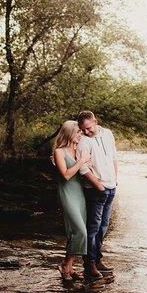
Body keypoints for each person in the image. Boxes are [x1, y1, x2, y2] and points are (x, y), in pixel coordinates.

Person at [76, 110, 118, 280]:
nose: (86, 132)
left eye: (88, 128)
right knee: (93, 227)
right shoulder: (84, 142)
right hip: (95, 189)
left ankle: (97, 259)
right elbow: (83, 169)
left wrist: (115, 179)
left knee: (104, 227)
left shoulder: (108, 134)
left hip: (111, 186)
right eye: (83, 129)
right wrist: (99, 186)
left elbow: (114, 156)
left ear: (95, 121)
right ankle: (89, 265)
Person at [52, 120, 91, 281]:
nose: (81, 134)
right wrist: (81, 161)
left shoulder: (79, 149)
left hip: (80, 193)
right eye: (78, 132)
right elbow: (66, 175)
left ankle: (69, 267)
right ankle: (65, 265)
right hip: (67, 192)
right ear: (69, 133)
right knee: (81, 231)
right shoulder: (59, 152)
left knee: (76, 232)